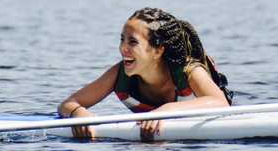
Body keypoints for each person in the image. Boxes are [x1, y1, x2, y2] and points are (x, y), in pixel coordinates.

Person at [58, 7, 233, 140]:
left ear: (158, 51)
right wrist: (78, 114)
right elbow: (68, 103)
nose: (122, 48)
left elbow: (220, 103)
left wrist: (165, 111)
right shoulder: (119, 74)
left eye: (132, 42)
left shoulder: (188, 71)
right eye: (122, 40)